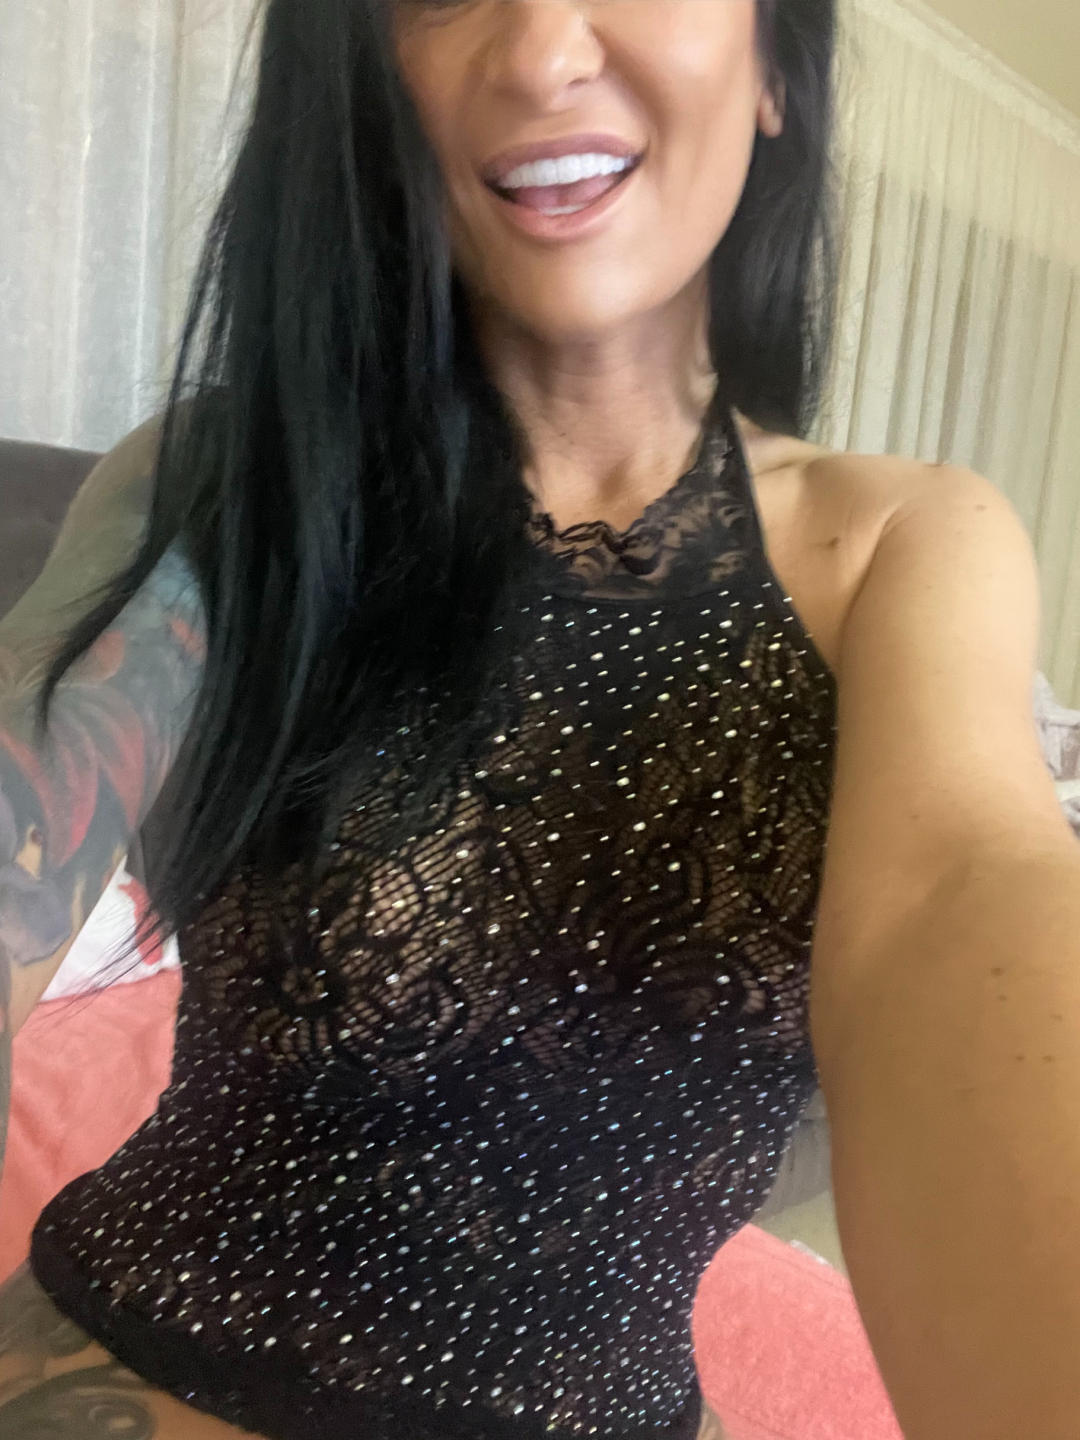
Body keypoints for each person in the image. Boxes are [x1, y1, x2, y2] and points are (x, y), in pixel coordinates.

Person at [2, 2, 1079, 1438]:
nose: (536, 52)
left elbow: (961, 894)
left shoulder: (908, 548)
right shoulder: (226, 483)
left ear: (774, 62)